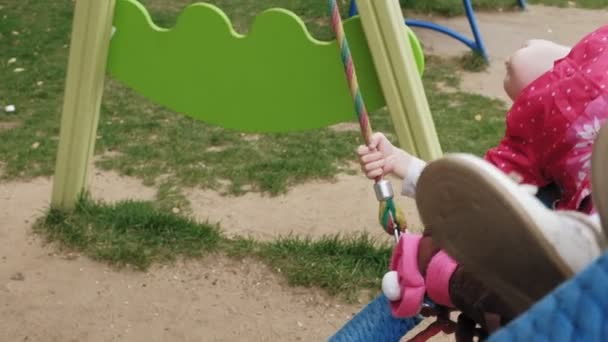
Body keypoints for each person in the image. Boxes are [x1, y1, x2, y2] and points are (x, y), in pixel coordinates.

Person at [357, 26, 608, 333]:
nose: (513, 61)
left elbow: (481, 191)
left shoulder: (539, 114)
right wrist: (405, 165)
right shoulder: (537, 116)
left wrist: (409, 167)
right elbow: (485, 192)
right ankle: (571, 246)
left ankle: (570, 246)